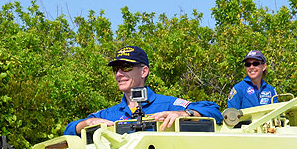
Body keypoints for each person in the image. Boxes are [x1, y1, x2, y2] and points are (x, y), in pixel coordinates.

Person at [64, 45, 222, 135]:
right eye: (116, 70)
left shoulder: (167, 104)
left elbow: (214, 110)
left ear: (144, 71)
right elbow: (68, 132)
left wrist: (185, 114)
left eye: (126, 67)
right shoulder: (108, 114)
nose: (119, 74)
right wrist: (86, 123)